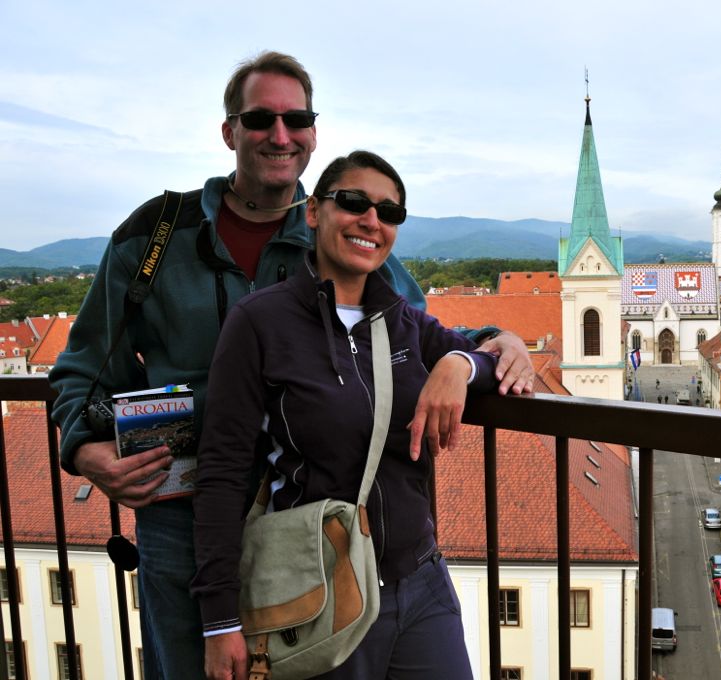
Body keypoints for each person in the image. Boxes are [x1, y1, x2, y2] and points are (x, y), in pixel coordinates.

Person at [49, 51, 533, 679]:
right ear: (231, 131)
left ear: (312, 133)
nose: (280, 134)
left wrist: (489, 348)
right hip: (187, 514)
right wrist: (86, 451)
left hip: (304, 527)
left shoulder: (342, 229)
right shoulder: (155, 238)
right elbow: (82, 370)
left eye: (296, 119)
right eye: (260, 119)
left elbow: (416, 332)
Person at [193, 150, 486, 678]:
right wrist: (219, 620)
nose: (371, 220)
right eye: (352, 202)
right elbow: (221, 471)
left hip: (418, 581)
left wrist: (459, 364)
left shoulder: (402, 320)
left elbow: (490, 358)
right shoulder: (261, 323)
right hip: (319, 588)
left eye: (389, 212)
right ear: (313, 212)